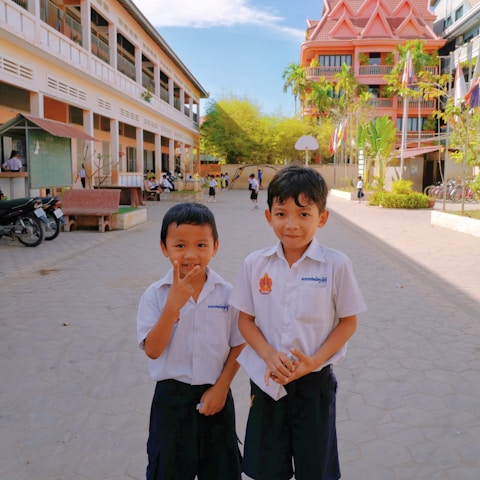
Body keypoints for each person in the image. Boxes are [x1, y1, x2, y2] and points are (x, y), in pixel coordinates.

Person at [229, 165, 367, 480]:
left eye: (304, 214)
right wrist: (268, 354)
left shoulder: (336, 265)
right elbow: (245, 321)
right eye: (282, 214)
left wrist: (314, 361)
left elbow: (347, 322)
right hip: (268, 382)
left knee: (315, 469)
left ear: (322, 217)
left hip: (314, 385)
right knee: (266, 468)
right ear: (268, 216)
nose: (291, 224)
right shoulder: (255, 264)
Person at [137, 202, 245, 480]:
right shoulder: (155, 295)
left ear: (215, 247)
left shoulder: (227, 293)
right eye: (180, 245)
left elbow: (238, 343)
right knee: (168, 470)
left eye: (201, 245)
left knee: (222, 470)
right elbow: (152, 350)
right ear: (164, 248)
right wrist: (172, 307)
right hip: (171, 401)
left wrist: (222, 388)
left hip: (217, 397)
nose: (190, 255)